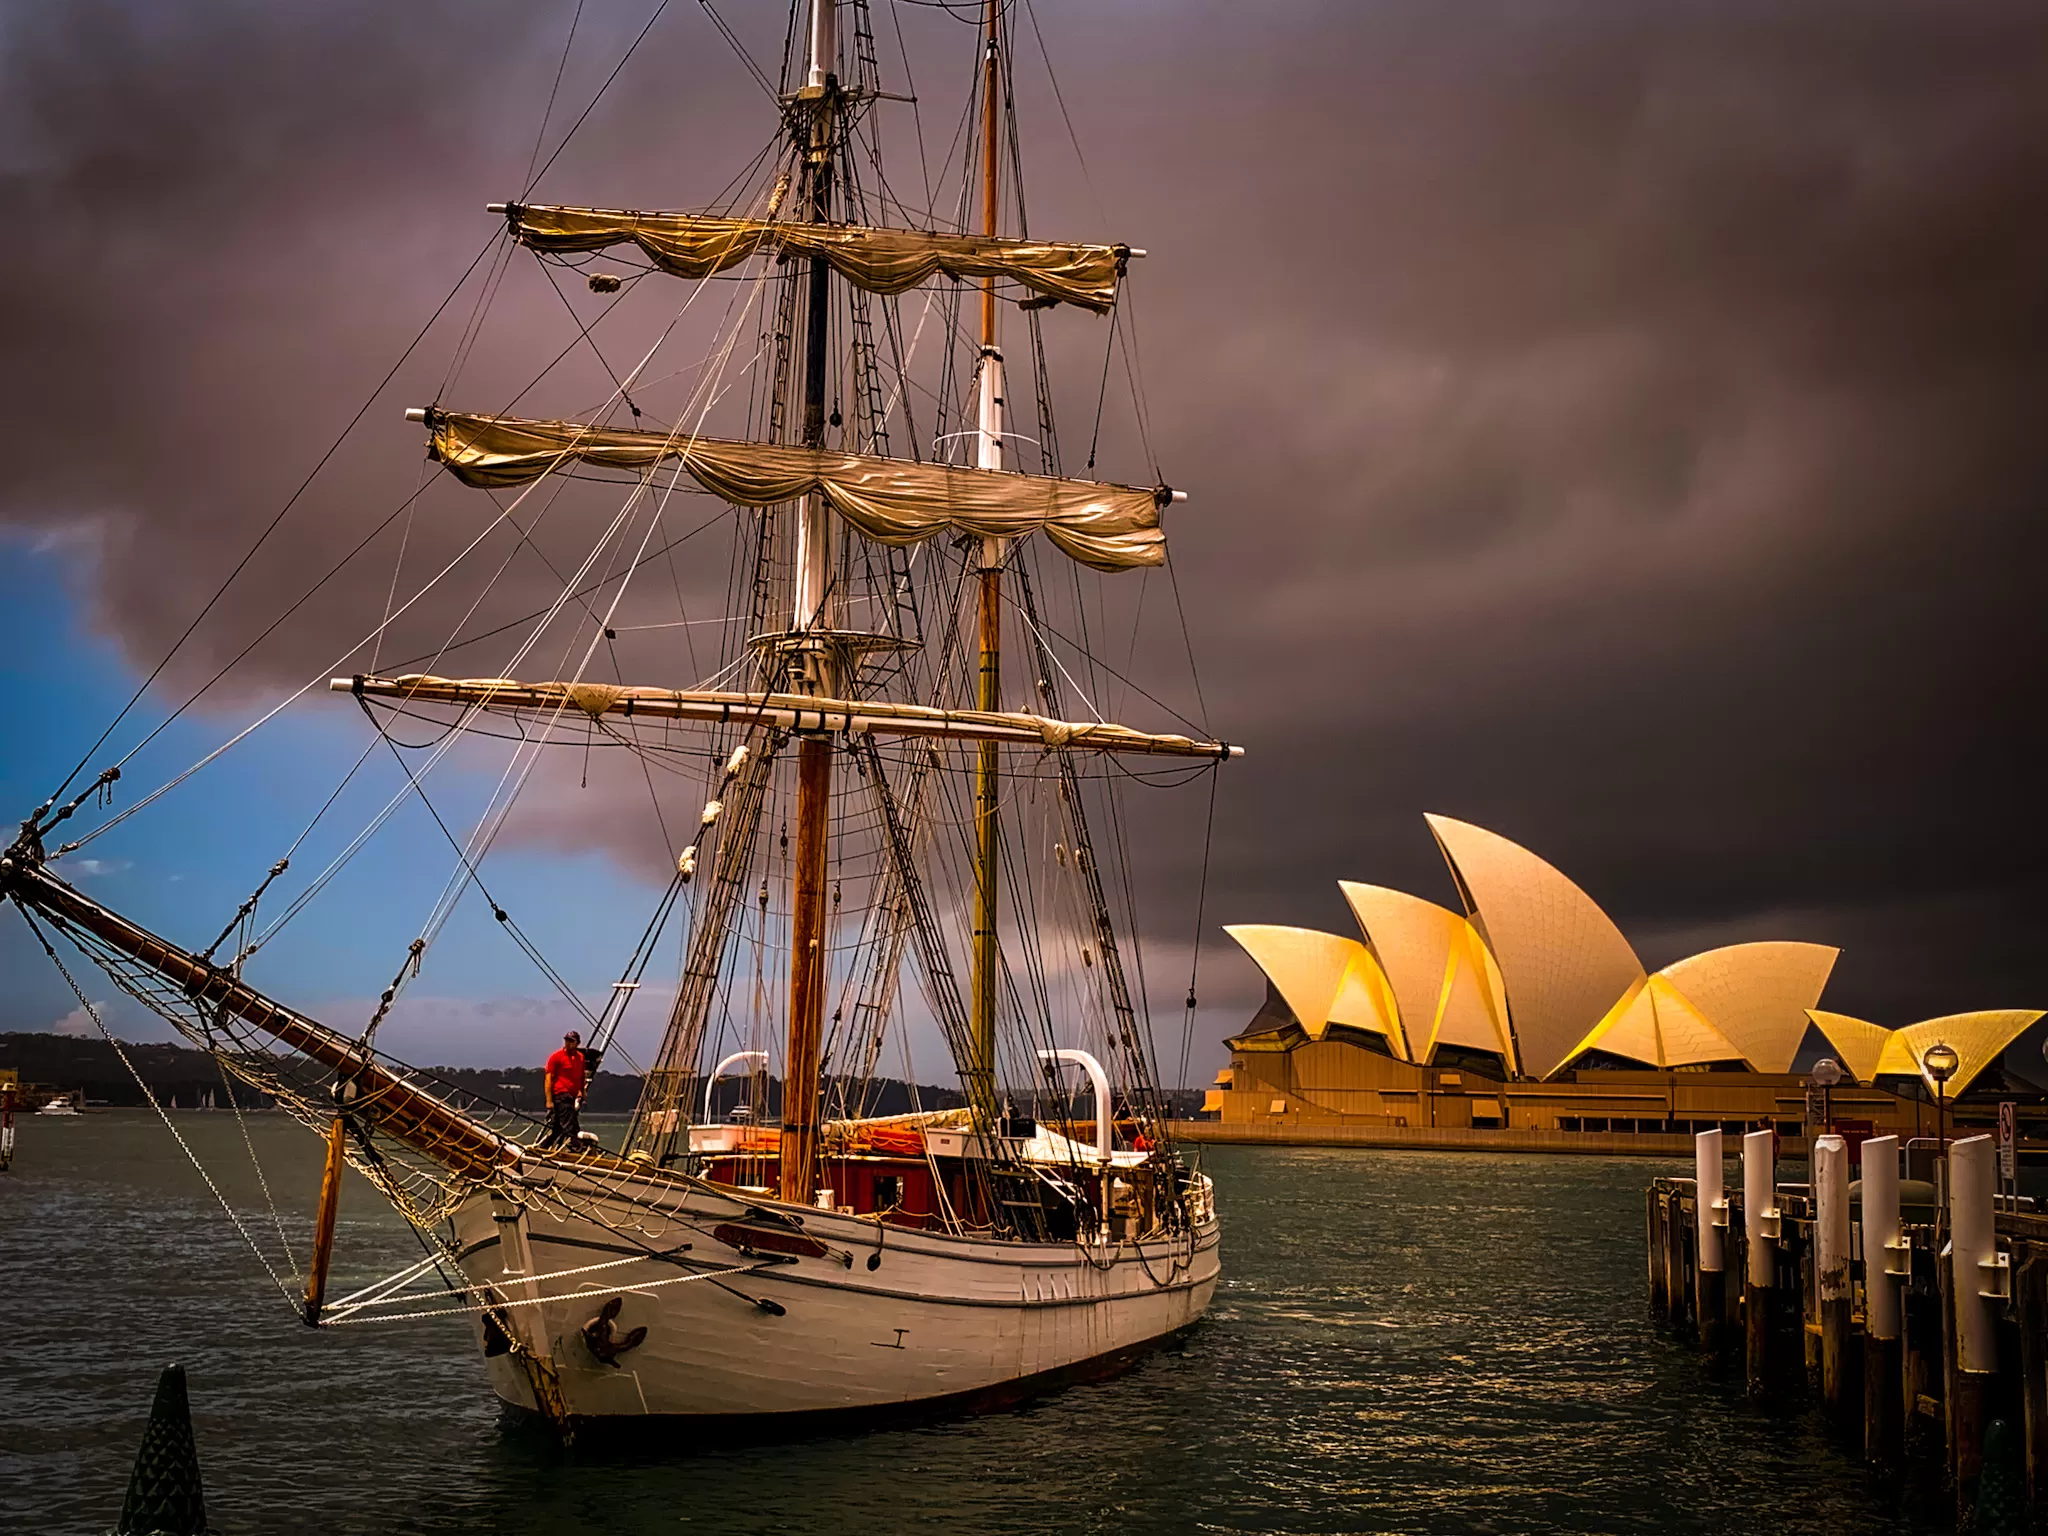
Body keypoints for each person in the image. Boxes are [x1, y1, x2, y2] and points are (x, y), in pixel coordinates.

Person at [543, 1030, 587, 1147]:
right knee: (571, 1126)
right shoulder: (556, 1057)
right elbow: (548, 1079)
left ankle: (543, 1147)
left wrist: (582, 1091)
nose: (568, 1043)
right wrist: (549, 1101)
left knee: (558, 1128)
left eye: (571, 1041)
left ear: (577, 1043)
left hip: (572, 1096)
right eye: (567, 1040)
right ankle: (576, 1147)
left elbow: (581, 1076)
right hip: (561, 1095)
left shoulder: (580, 1057)